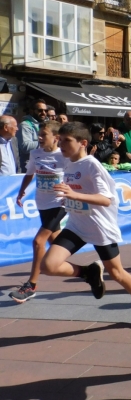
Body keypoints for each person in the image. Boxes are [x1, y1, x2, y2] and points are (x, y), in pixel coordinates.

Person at [40, 122, 131, 327]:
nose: (61, 145)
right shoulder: (67, 162)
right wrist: (66, 198)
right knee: (48, 265)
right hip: (77, 225)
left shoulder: (92, 165)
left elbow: (106, 200)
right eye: (60, 140)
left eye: (66, 141)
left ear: (83, 143)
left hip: (100, 227)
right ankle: (88, 273)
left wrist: (73, 194)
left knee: (117, 273)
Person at [10, 121, 67, 303]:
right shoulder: (35, 154)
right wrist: (22, 190)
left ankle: (31, 285)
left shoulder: (64, 156)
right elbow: (30, 173)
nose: (39, 138)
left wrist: (70, 190)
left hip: (60, 204)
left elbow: (76, 174)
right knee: (57, 246)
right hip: (42, 203)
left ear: (56, 138)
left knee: (38, 241)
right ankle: (89, 272)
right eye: (39, 135)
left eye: (44, 135)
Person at [18, 99, 48, 171]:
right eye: (40, 110)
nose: (43, 113)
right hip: (30, 167)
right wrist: (46, 143)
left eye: (45, 111)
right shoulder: (25, 125)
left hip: (44, 164)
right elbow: (26, 147)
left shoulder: (47, 124)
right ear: (32, 111)